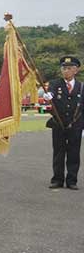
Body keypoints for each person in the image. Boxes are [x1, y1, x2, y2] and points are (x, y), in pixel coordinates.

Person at [43, 56, 84, 189]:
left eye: (69, 68)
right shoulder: (55, 83)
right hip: (59, 124)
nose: (65, 71)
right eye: (63, 68)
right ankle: (57, 179)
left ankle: (72, 180)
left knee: (74, 153)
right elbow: (51, 92)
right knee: (58, 153)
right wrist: (48, 96)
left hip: (75, 125)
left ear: (75, 70)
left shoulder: (81, 86)